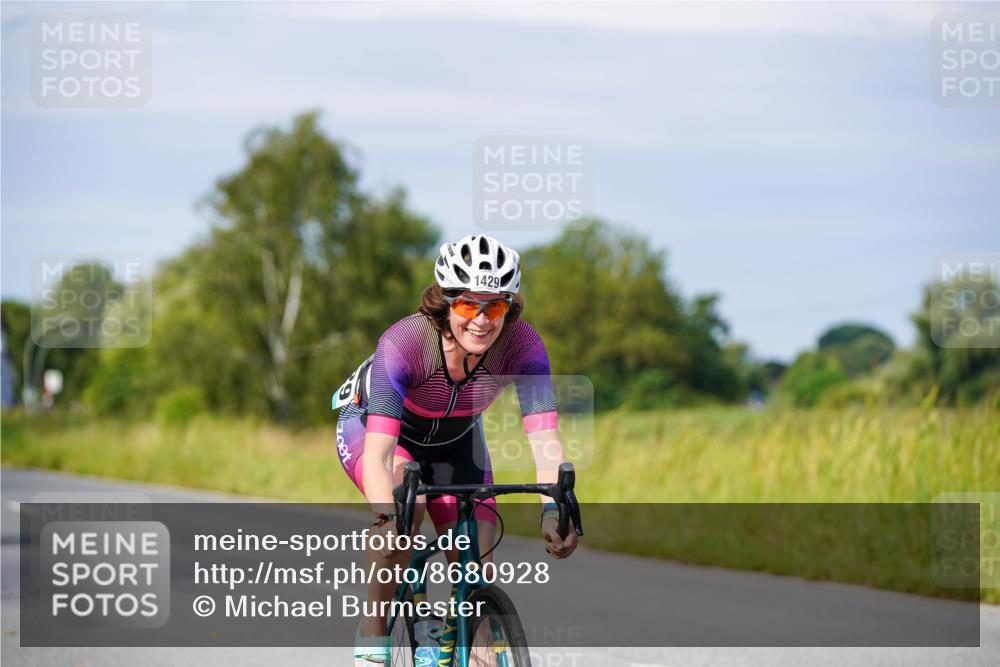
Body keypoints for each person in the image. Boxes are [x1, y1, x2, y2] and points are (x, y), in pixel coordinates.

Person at [333, 234, 579, 665]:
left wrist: (553, 510)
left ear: (509, 307)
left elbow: (546, 442)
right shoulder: (405, 343)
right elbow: (379, 454)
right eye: (468, 305)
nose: (482, 320)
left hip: (457, 441)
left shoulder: (524, 346)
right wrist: (386, 517)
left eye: (495, 306)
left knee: (476, 566)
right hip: (381, 432)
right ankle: (374, 635)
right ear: (445, 303)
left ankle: (475, 645)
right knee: (406, 513)